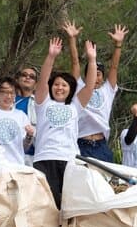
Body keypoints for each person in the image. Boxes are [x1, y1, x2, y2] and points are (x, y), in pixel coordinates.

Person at [34, 37, 98, 209]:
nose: (60, 87)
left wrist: (92, 60)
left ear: (70, 89)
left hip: (69, 159)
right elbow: (42, 80)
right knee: (47, 205)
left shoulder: (75, 106)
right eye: (56, 84)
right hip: (45, 159)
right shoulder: (43, 103)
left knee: (70, 205)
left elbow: (90, 86)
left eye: (64, 85)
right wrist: (51, 56)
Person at [64, 20, 127, 162]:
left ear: (103, 77)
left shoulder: (107, 90)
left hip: (101, 145)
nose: (96, 77)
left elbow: (114, 67)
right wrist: (72, 39)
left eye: (99, 74)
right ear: (87, 75)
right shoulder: (80, 88)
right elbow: (75, 62)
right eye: (94, 73)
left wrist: (118, 45)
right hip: (81, 144)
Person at [14, 64, 38, 163]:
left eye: (32, 77)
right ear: (17, 79)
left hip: (31, 155)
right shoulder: (6, 100)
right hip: (9, 153)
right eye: (24, 75)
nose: (27, 77)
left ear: (36, 84)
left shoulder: (39, 103)